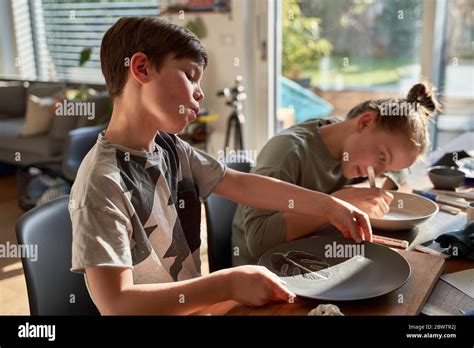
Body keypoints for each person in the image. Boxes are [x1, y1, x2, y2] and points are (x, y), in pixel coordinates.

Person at [69, 16, 371, 315]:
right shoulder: (101, 181)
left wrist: (328, 205)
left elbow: (239, 183)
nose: (200, 93)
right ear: (141, 68)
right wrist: (225, 284)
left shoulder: (170, 148)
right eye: (190, 76)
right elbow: (116, 304)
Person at [232, 82, 440, 266]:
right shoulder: (288, 153)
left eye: (387, 169)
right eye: (382, 158)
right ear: (365, 122)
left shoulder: (353, 145)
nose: (377, 173)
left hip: (317, 258)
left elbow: (400, 171)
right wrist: (334, 204)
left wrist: (362, 192)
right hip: (264, 273)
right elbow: (257, 241)